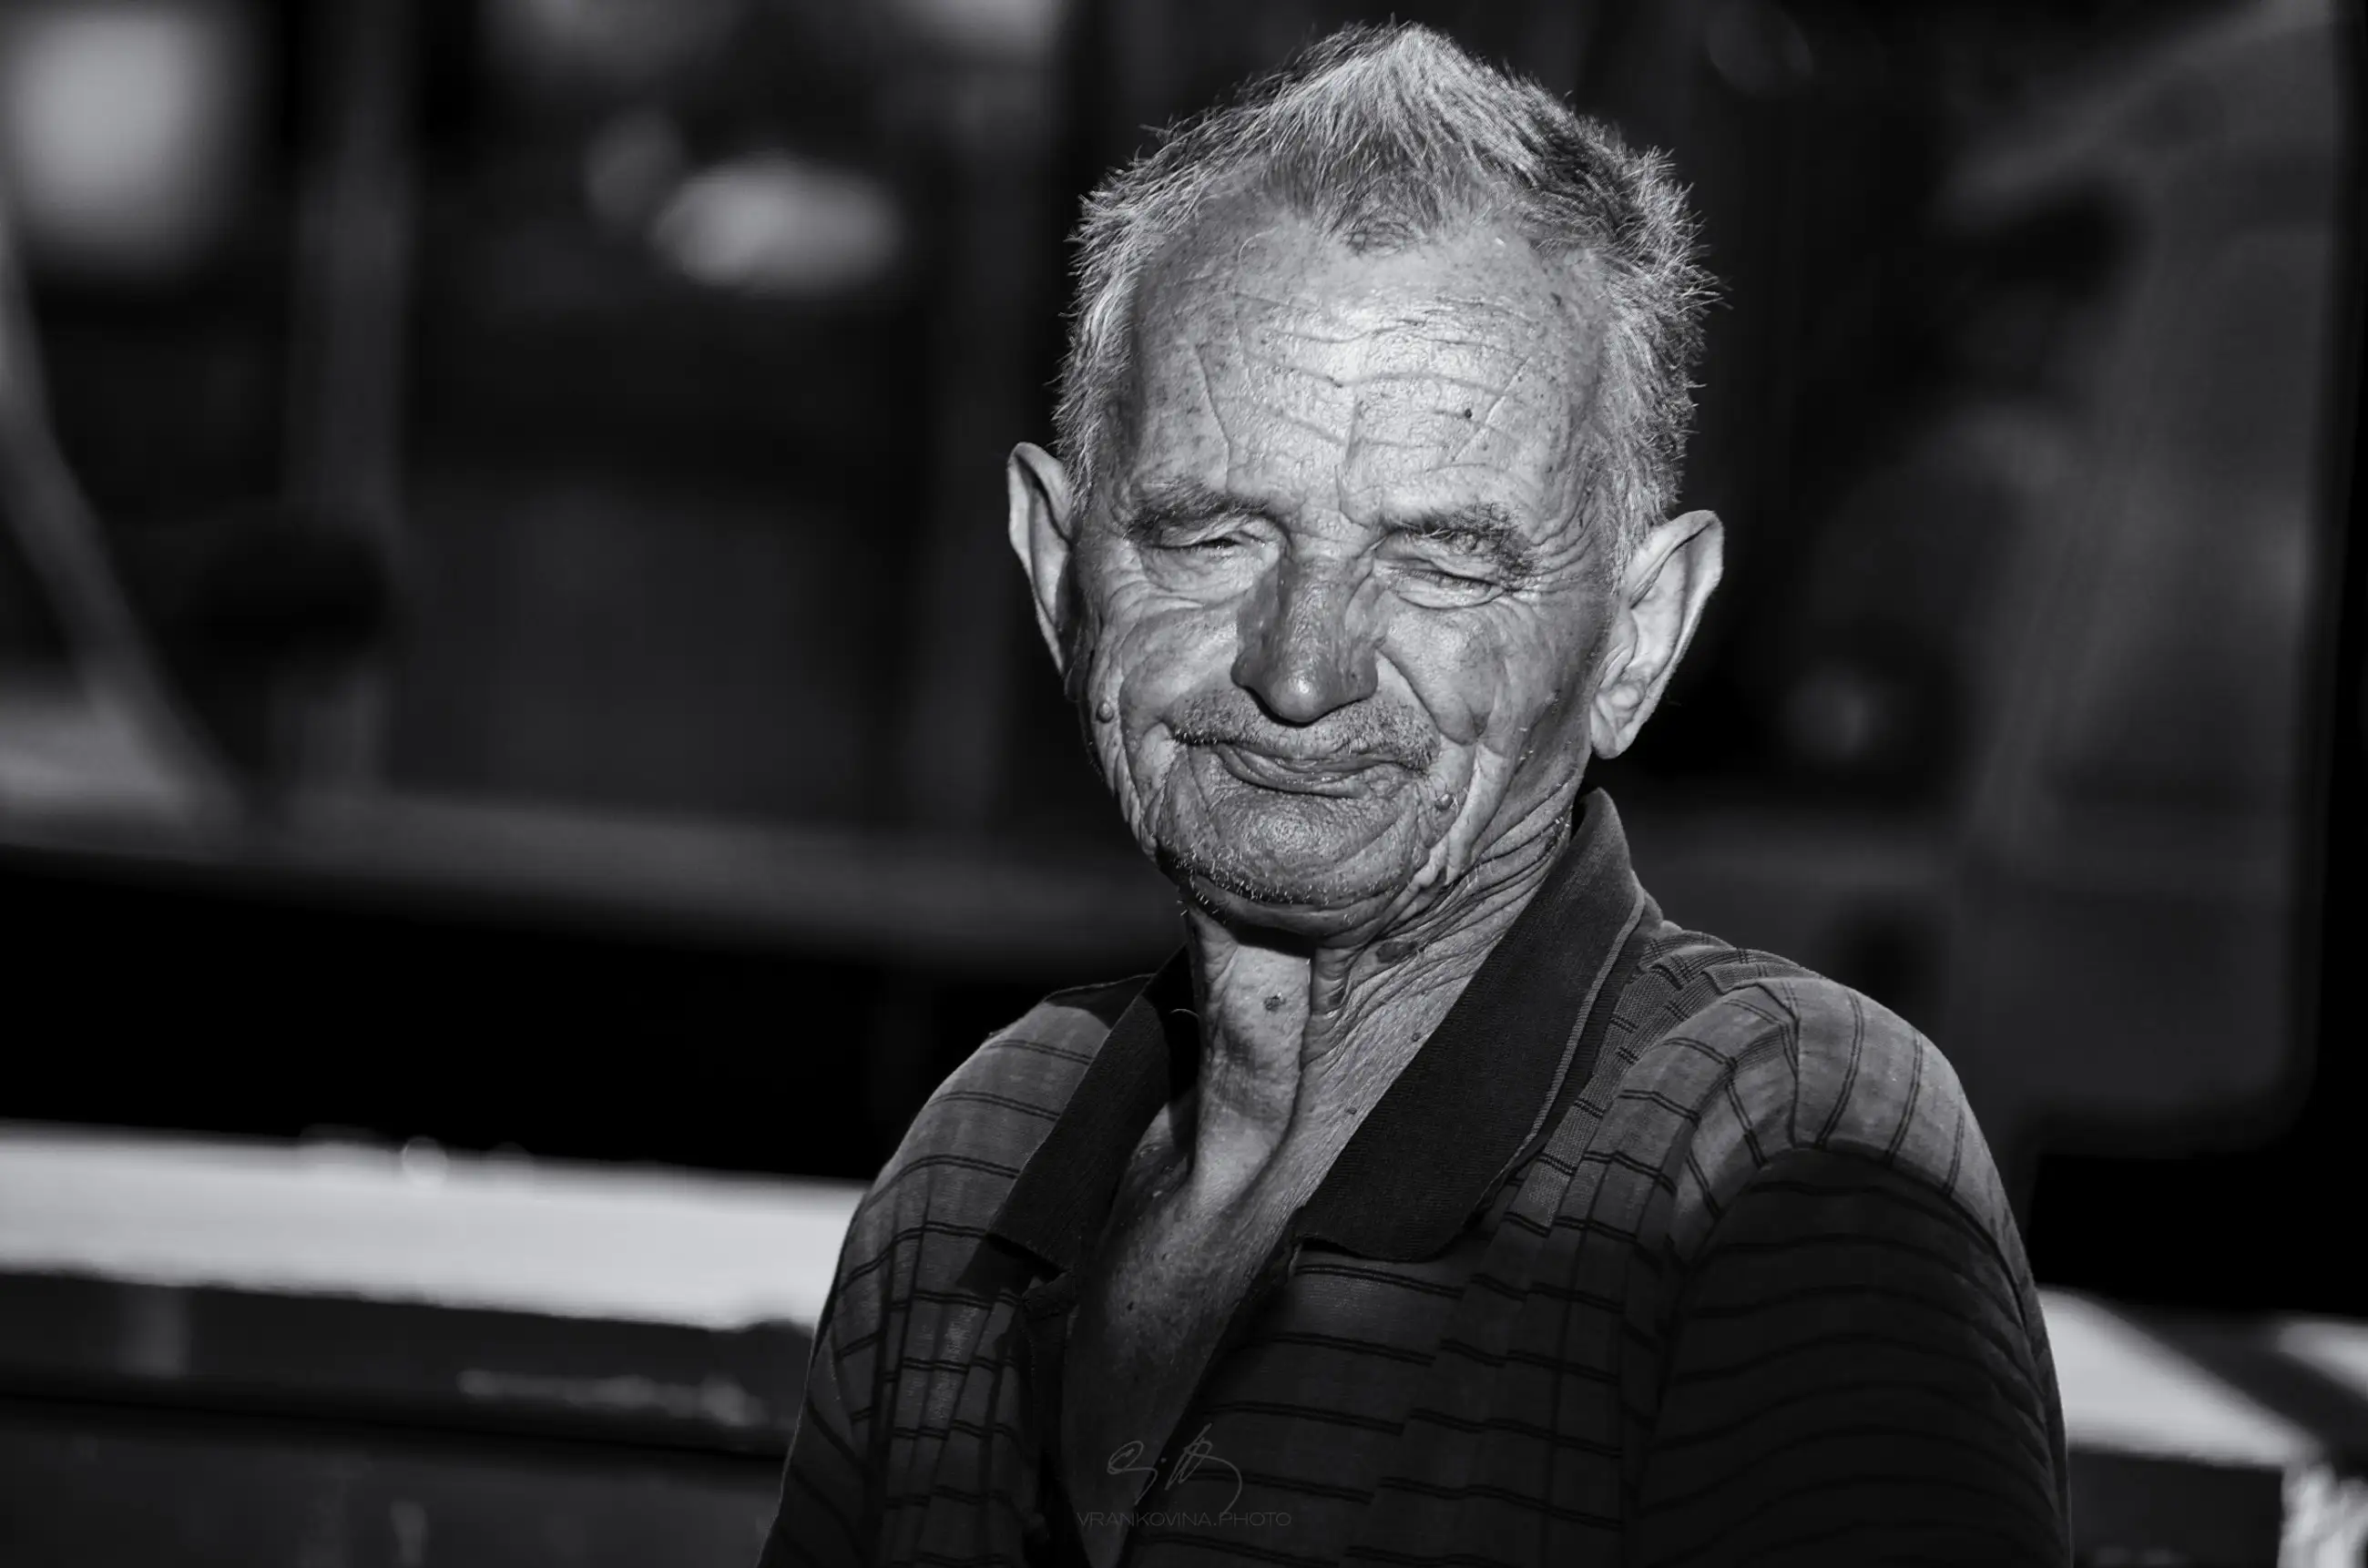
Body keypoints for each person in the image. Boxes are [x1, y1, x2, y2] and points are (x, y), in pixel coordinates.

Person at [760, 24, 2067, 1566]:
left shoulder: (1783, 1161)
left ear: (1639, 635)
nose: (1302, 669)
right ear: (1060, 570)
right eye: (1213, 535)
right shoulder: (980, 1159)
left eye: (1444, 560)